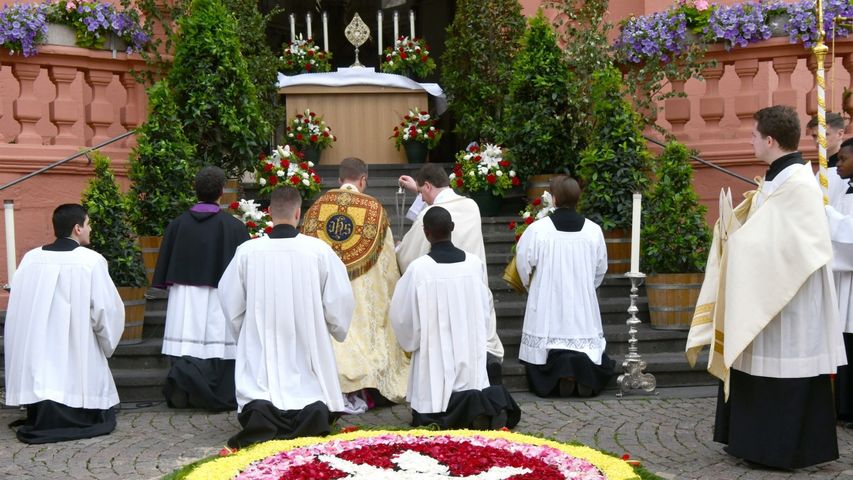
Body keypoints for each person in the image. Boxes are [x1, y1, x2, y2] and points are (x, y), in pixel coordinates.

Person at [686, 105, 846, 469]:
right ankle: (754, 444)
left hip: (790, 303)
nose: (750, 141)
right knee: (759, 368)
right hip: (772, 298)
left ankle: (781, 449)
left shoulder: (798, 185)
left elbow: (788, 247)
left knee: (783, 371)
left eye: (754, 136)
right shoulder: (779, 180)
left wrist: (735, 239)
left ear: (770, 140)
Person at [218, 186, 355, 448]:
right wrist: (334, 326)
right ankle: (310, 413)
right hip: (308, 344)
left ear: (269, 213)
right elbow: (339, 300)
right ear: (298, 213)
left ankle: (263, 415)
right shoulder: (319, 251)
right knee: (313, 401)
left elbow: (229, 300)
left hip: (262, 348)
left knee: (260, 398)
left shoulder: (247, 252)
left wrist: (245, 332)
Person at [389, 206, 521, 429]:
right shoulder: (473, 265)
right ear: (452, 228)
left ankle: (460, 411)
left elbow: (402, 315)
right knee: (473, 386)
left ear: (426, 232)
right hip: (469, 352)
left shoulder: (419, 270)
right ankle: (477, 407)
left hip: (435, 358)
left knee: (432, 410)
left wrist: (413, 339)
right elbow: (485, 306)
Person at [4, 204, 124, 444]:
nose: (90, 229)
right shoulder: (91, 261)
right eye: (88, 224)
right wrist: (107, 340)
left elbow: (18, 304)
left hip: (38, 344)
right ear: (77, 228)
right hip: (78, 342)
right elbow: (104, 309)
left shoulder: (31, 259)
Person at [301, 157, 409, 412]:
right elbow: (387, 265)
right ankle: (366, 385)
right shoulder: (374, 209)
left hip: (326, 289)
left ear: (339, 181)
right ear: (363, 180)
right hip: (362, 289)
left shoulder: (317, 208)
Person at [152, 166, 250, 411]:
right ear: (221, 192)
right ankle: (220, 393)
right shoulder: (234, 227)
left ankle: (183, 394)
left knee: (186, 345)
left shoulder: (177, 225)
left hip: (184, 298)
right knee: (219, 345)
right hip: (220, 297)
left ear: (195, 190)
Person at [397, 164, 504, 383]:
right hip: (473, 286)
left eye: (422, 193)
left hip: (444, 290)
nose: (423, 199)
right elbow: (436, 200)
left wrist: (398, 248)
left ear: (427, 185)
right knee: (477, 336)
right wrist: (417, 191)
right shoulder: (471, 206)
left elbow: (409, 256)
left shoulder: (428, 215)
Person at [515, 175, 615, 398]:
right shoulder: (593, 230)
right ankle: (583, 376)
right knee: (586, 348)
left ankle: (556, 377)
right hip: (582, 304)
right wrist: (586, 288)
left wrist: (533, 288)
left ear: (555, 198)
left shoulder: (538, 230)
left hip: (547, 302)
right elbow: (601, 269)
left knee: (546, 348)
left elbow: (523, 265)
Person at [823, 137, 853, 424]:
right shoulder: (843, 188)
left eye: (843, 159)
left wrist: (827, 215)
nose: (838, 164)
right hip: (844, 284)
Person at [807, 112, 847, 205]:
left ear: (840, 134)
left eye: (824, 134)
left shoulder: (848, 170)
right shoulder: (820, 171)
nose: (818, 140)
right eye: (814, 136)